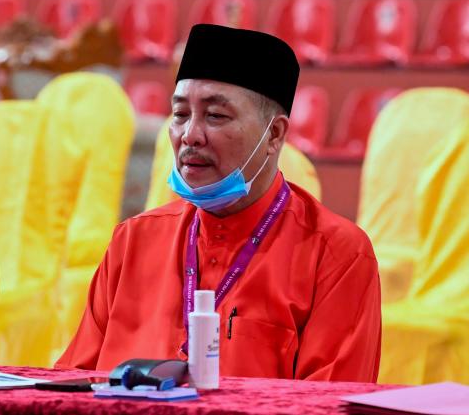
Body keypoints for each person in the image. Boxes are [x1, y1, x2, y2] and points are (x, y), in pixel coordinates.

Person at [58, 24, 381, 382]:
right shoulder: (132, 241)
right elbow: (73, 384)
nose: (190, 136)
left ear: (274, 135)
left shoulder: (336, 255)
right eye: (180, 115)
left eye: (215, 116)